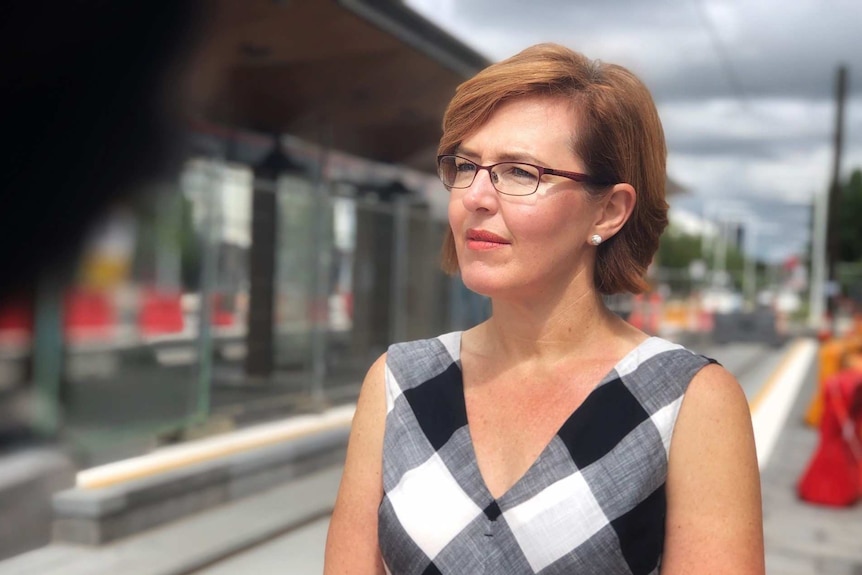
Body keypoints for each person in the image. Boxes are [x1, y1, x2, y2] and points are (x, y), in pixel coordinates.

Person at [324, 43, 764, 574]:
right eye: (465, 165)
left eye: (518, 172)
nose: (476, 197)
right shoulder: (398, 382)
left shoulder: (690, 401)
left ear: (609, 210)